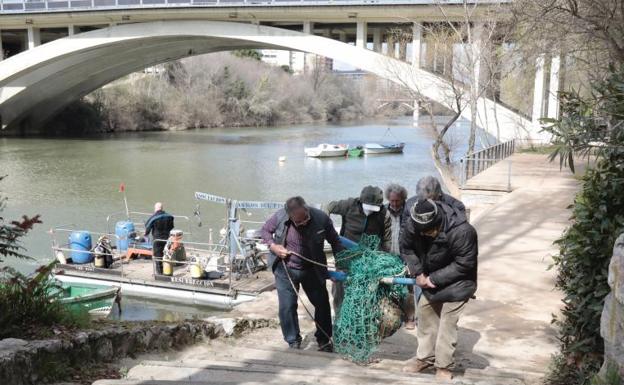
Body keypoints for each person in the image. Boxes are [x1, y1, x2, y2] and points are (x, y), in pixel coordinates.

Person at [400, 198, 478, 381]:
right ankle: (425, 358)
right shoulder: (412, 225)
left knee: (447, 324)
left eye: (429, 230)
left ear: (438, 220)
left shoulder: (462, 231)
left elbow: (465, 263)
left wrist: (433, 279)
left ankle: (444, 366)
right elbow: (406, 249)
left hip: (458, 281)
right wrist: (418, 273)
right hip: (428, 277)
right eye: (423, 231)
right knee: (425, 315)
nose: (426, 234)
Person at [260, 196, 344, 352]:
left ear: (307, 209)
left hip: (312, 268)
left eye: (306, 218)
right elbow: (265, 231)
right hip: (285, 268)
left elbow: (335, 241)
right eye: (299, 222)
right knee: (287, 306)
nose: (304, 222)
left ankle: (324, 340)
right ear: (290, 216)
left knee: (322, 304)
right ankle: (293, 341)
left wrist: (341, 265)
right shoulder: (279, 217)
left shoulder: (321, 218)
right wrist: (274, 246)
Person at [327, 185, 392, 316]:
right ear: (360, 202)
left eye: (374, 209)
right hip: (345, 256)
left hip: (369, 259)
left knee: (366, 293)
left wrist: (385, 258)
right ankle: (340, 318)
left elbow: (387, 240)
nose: (370, 211)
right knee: (341, 291)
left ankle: (362, 319)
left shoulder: (384, 214)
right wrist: (327, 228)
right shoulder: (349, 205)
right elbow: (328, 207)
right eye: (367, 208)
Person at [384, 183, 419, 330]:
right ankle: (391, 316)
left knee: (409, 286)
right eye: (391, 201)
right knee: (388, 285)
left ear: (403, 199)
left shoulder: (410, 211)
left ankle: (409, 318)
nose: (394, 203)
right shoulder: (383, 211)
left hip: (406, 255)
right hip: (388, 255)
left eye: (397, 200)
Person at [144, 202, 174, 275]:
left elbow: (147, 227)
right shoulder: (169, 216)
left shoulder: (153, 217)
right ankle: (168, 270)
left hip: (157, 240)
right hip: (167, 239)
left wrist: (145, 234)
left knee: (158, 256)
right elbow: (172, 227)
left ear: (155, 209)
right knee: (166, 254)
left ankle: (160, 273)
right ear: (162, 208)